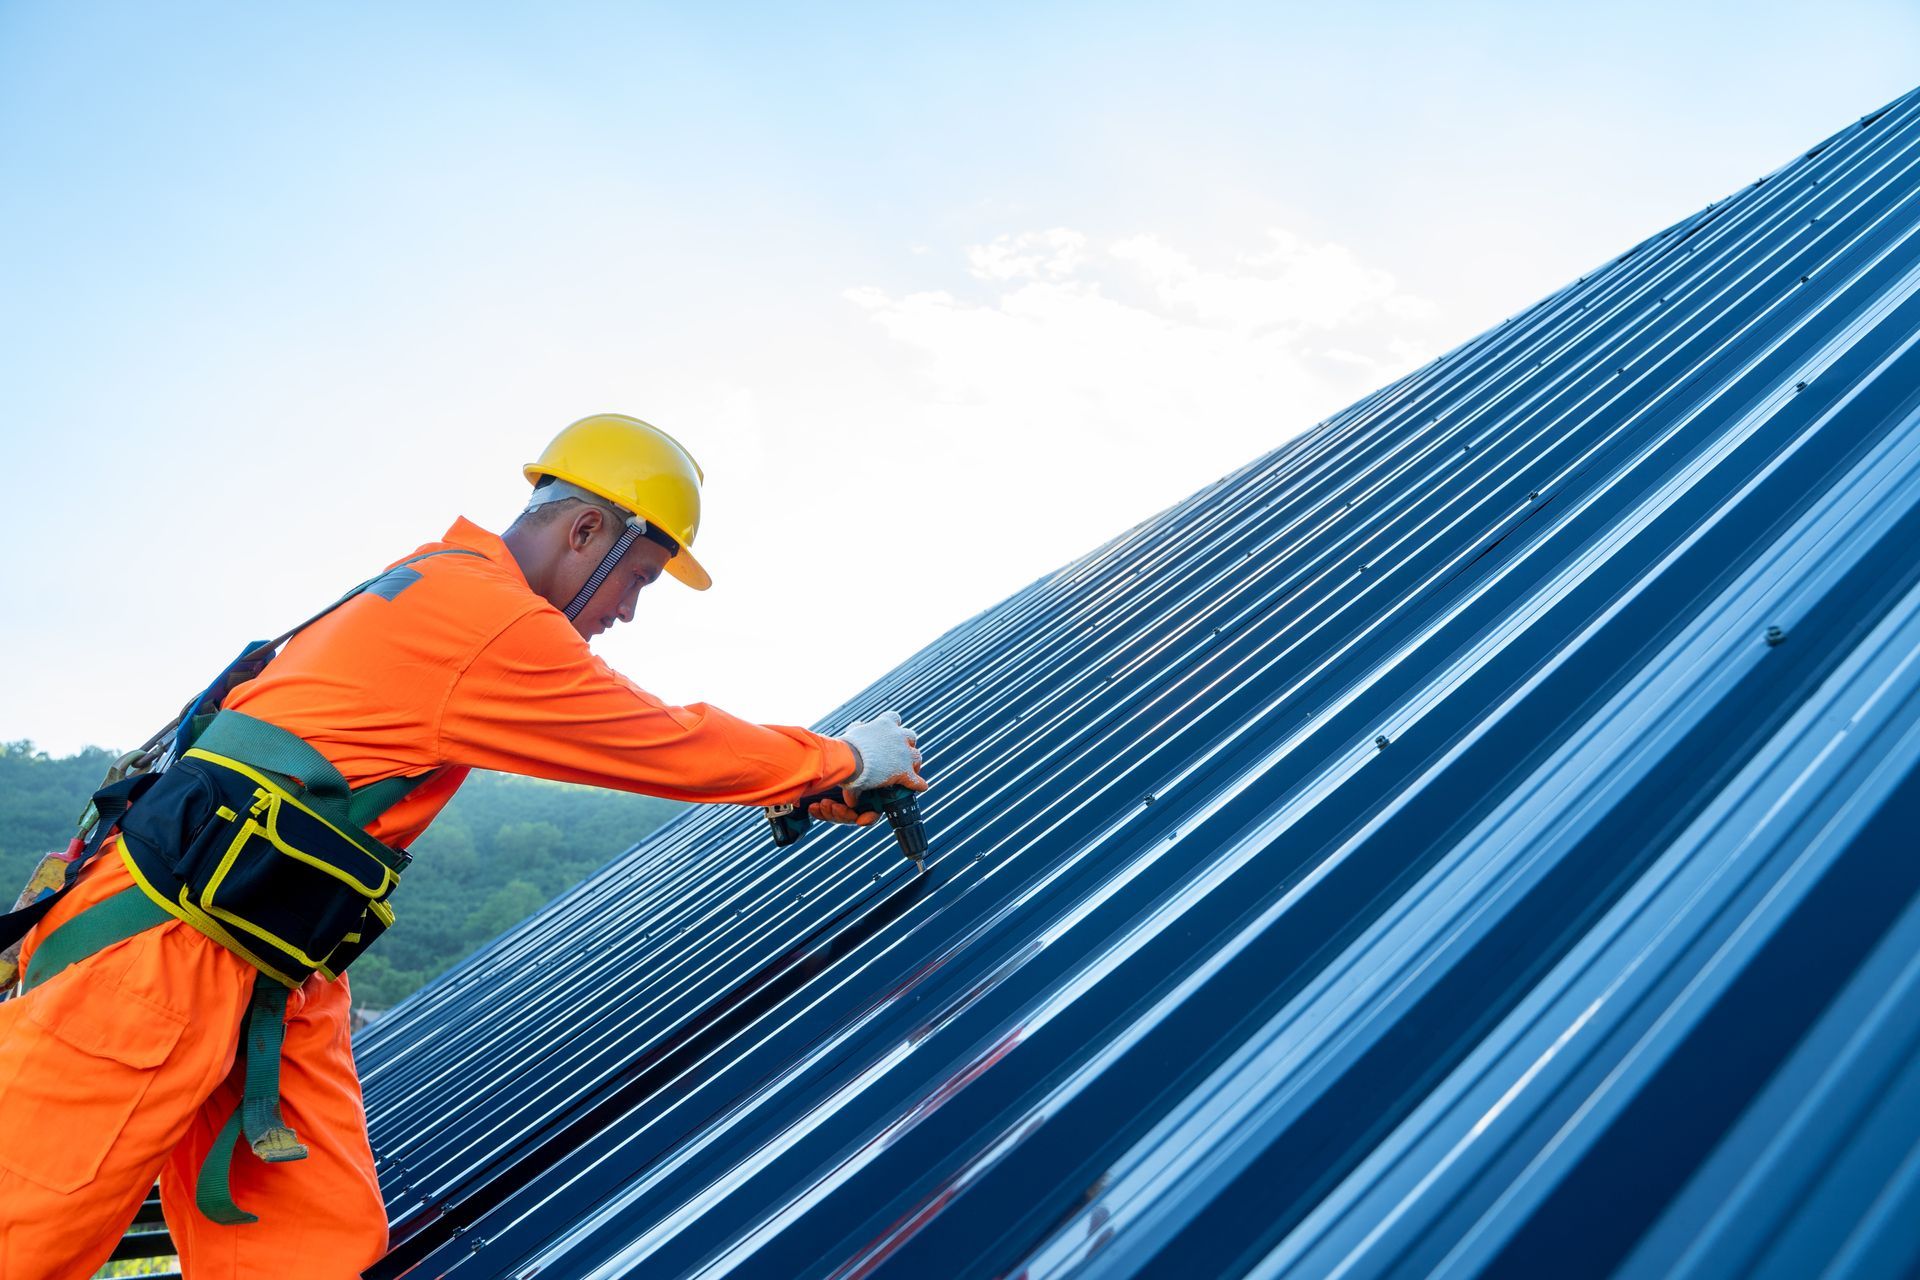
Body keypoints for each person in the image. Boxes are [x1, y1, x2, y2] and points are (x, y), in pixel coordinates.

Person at [0, 413, 926, 1278]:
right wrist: (841, 756)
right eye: (639, 579)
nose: (630, 613)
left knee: (312, 1244)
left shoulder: (436, 580)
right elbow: (658, 740)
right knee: (26, 1229)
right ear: (586, 534)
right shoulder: (486, 619)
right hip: (153, 965)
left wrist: (813, 781)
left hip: (268, 971)